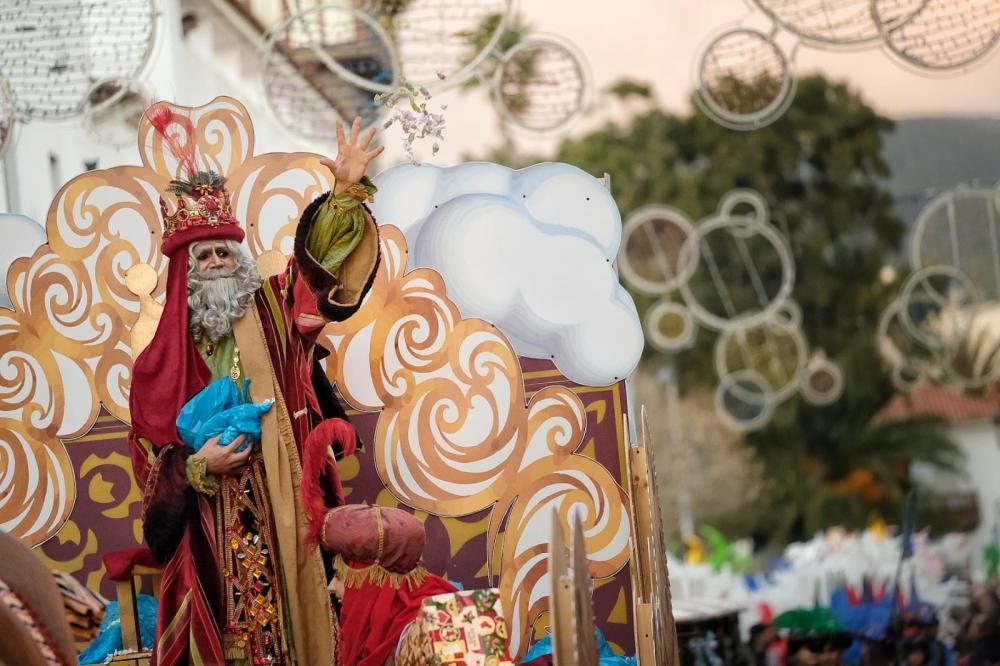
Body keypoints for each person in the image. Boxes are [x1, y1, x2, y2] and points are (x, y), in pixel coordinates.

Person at [127, 107, 383, 666]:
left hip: (286, 503)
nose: (218, 263)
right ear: (184, 274)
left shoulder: (271, 308)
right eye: (205, 256)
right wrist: (197, 467)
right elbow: (149, 467)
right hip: (209, 534)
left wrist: (342, 196)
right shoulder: (156, 365)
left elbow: (318, 278)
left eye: (226, 252)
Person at [314, 504, 459, 666]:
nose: (331, 587)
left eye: (339, 576)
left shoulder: (419, 633)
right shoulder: (384, 626)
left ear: (371, 581)